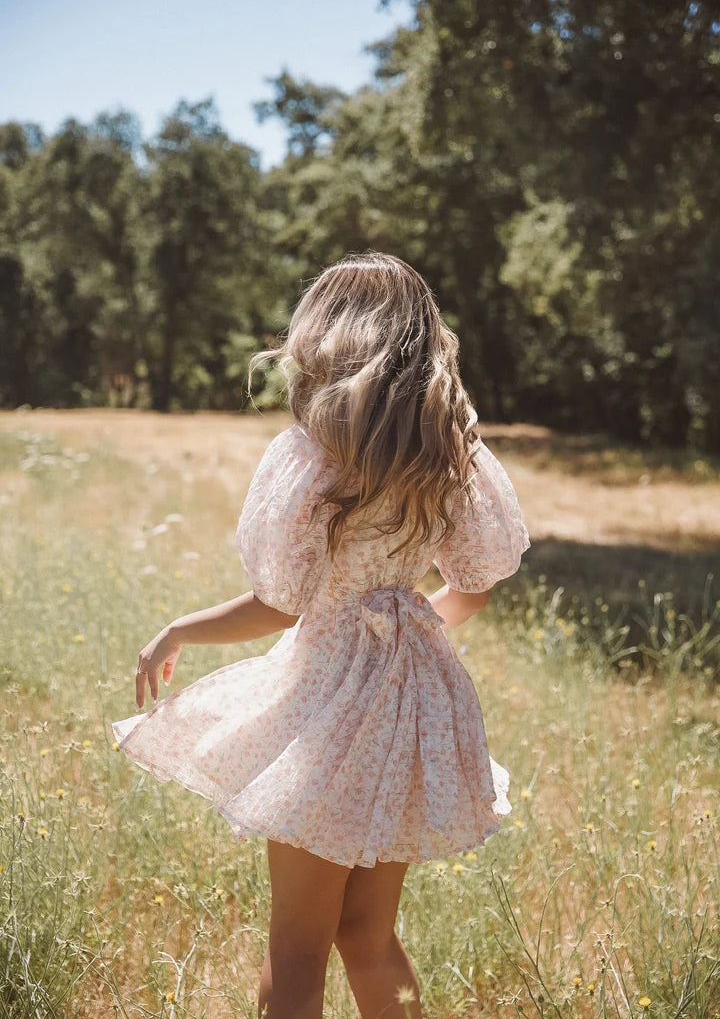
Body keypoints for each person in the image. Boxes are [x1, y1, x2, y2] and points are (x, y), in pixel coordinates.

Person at [112, 251, 530, 1019]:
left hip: (328, 704)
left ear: (328, 339)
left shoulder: (315, 457)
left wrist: (180, 629)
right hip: (415, 699)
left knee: (297, 946)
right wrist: (411, 623)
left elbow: (281, 604)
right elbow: (477, 582)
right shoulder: (448, 453)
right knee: (368, 936)